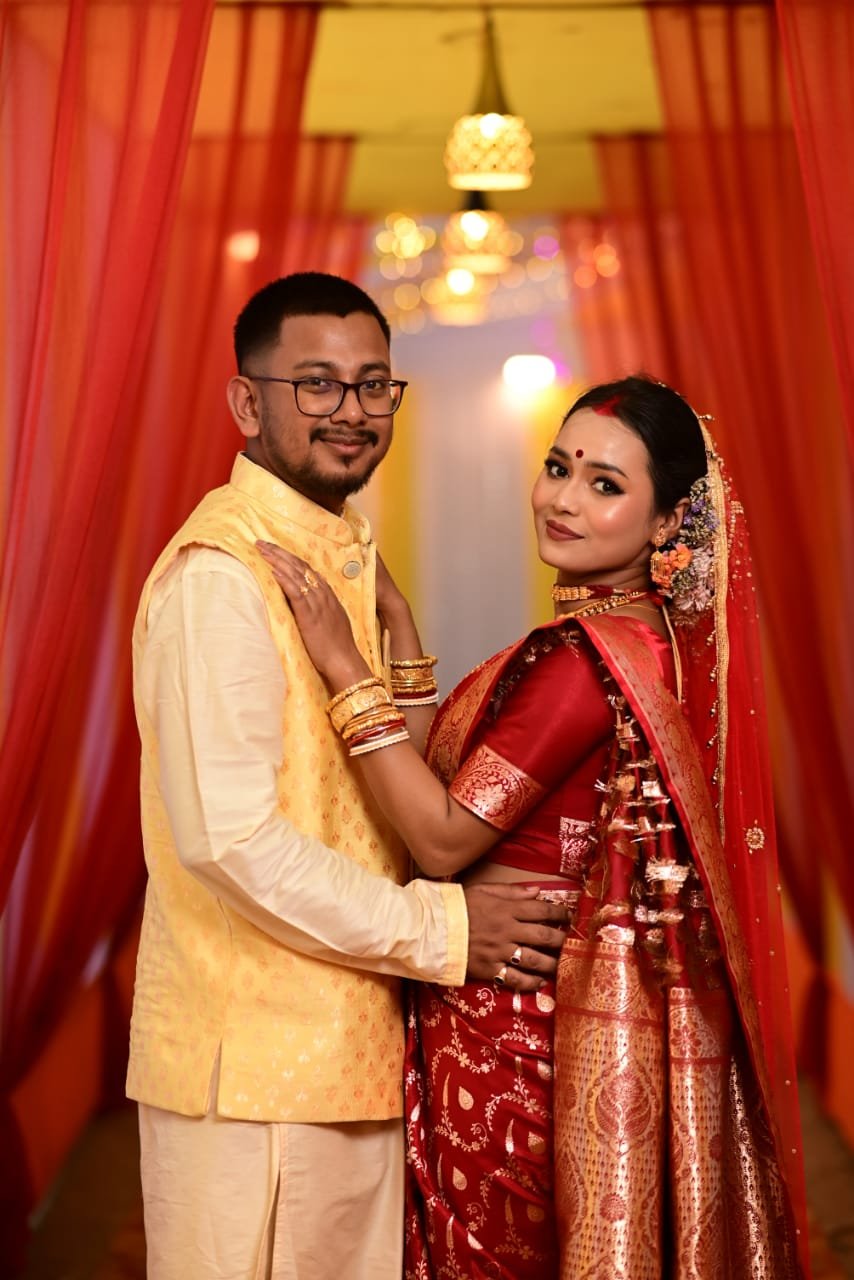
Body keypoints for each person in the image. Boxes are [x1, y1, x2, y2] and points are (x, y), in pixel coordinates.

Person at [258, 374, 811, 1279]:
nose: (562, 499)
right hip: (538, 1013)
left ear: (667, 523)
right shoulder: (648, 643)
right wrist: (400, 629)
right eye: (559, 467)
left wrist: (344, 668)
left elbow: (440, 836)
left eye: (605, 485)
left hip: (505, 1031)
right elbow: (447, 780)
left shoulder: (580, 663)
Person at [126, 271, 571, 1280]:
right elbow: (231, 839)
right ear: (248, 403)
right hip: (253, 1071)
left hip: (349, 1047)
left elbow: (372, 797)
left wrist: (401, 646)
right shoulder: (223, 575)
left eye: (373, 384)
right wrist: (442, 931)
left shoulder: (335, 553)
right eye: (317, 384)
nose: (353, 411)